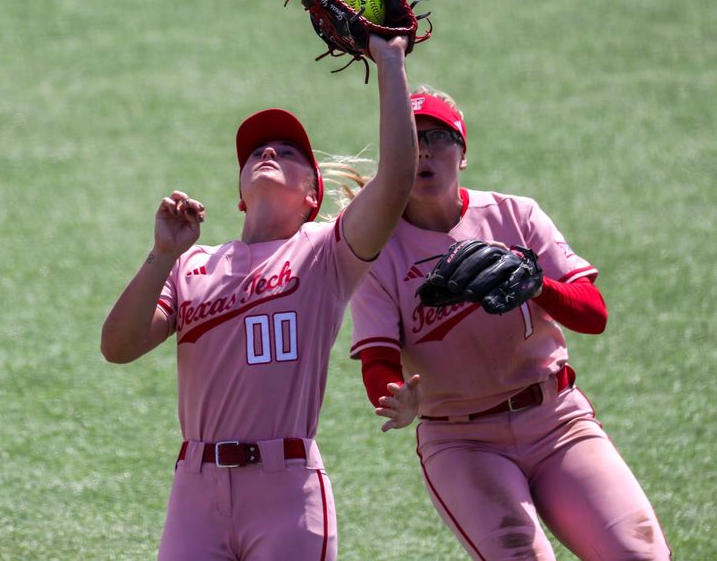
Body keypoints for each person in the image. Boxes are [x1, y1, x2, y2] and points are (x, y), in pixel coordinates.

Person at [100, 35, 417, 561]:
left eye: (288, 152)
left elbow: (396, 180)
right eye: (256, 153)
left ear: (313, 196)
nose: (268, 152)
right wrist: (160, 254)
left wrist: (389, 62)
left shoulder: (326, 254)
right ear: (241, 194)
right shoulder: (191, 264)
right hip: (194, 492)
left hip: (287, 493)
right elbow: (118, 346)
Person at [348, 85, 672, 560]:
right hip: (462, 441)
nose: (423, 150)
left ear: (463, 153)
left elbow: (594, 314)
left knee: (640, 554)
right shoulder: (380, 252)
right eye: (411, 139)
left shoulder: (514, 215)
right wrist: (394, 396)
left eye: (438, 137)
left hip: (558, 422)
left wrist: (539, 286)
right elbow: (377, 359)